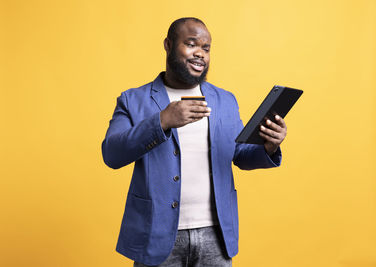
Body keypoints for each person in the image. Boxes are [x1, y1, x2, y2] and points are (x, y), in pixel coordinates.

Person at [102, 17, 287, 267]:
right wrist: (162, 121)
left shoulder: (225, 100)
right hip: (157, 237)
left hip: (216, 235)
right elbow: (112, 154)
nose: (200, 53)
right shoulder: (133, 99)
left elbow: (240, 154)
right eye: (191, 44)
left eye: (206, 48)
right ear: (168, 45)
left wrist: (269, 146)